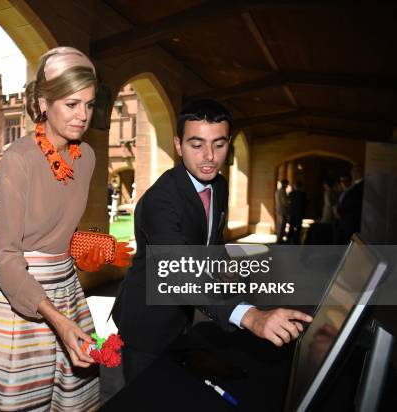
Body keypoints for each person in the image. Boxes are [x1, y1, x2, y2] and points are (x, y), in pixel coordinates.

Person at [0, 47, 113, 411]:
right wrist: (58, 322)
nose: (83, 116)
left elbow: (60, 234)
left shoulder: (89, 158)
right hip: (15, 303)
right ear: (43, 103)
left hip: (66, 290)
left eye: (89, 104)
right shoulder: (18, 158)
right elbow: (6, 257)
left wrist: (86, 247)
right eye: (71, 104)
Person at [111, 100, 313, 382]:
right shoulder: (160, 200)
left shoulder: (218, 185)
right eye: (197, 145)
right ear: (178, 145)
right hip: (148, 320)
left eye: (218, 145)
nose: (209, 156)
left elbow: (213, 245)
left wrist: (231, 277)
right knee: (147, 397)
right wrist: (250, 316)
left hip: (185, 315)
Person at [335, 165, 364, 244]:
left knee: (349, 243)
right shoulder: (355, 186)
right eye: (352, 171)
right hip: (345, 221)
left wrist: (340, 212)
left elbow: (353, 204)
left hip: (351, 221)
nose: (353, 174)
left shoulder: (360, 186)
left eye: (355, 171)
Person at [275, 178, 289, 243]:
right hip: (283, 211)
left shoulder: (277, 191)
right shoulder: (282, 191)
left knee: (279, 225)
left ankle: (279, 238)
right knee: (282, 226)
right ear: (285, 184)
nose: (287, 186)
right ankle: (279, 240)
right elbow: (285, 202)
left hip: (278, 210)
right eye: (287, 184)